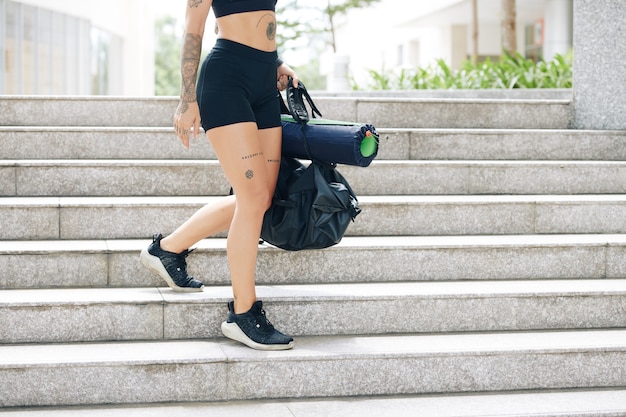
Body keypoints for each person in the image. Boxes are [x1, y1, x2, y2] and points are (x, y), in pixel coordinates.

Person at [140, 0, 298, 351]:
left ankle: (167, 249)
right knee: (254, 198)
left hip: (263, 77)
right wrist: (187, 98)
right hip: (227, 79)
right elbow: (194, 28)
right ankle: (243, 313)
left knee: (259, 198)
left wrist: (275, 60)